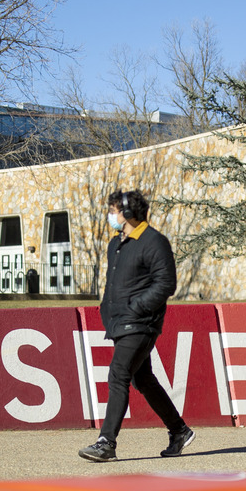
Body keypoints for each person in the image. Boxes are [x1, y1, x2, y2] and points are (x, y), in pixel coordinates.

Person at [79, 189, 195, 462]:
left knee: (118, 373)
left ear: (128, 213)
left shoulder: (154, 242)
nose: (111, 215)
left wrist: (138, 307)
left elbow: (166, 284)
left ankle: (106, 442)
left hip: (141, 322)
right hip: (120, 322)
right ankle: (179, 430)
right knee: (142, 379)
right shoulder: (116, 243)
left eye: (114, 211)